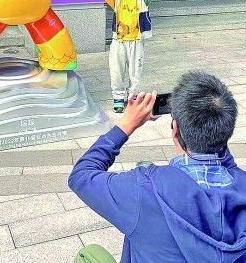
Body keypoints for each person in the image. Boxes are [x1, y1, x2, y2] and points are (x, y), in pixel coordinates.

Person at [69, 70, 246, 262]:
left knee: (89, 254)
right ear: (226, 130)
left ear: (175, 129)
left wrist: (126, 124)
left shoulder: (144, 189)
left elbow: (81, 176)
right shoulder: (241, 184)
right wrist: (216, 133)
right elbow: (230, 167)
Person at [102, 0, 155, 113]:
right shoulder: (116, 0)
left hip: (136, 41)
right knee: (116, 70)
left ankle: (133, 96)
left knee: (135, 71)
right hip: (118, 41)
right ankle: (118, 97)